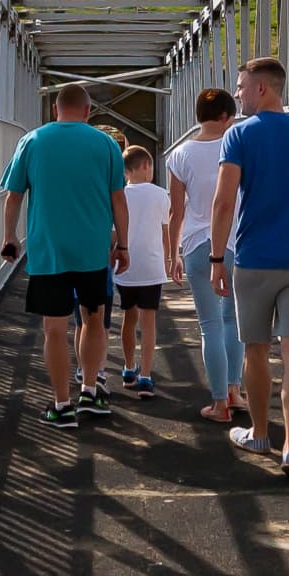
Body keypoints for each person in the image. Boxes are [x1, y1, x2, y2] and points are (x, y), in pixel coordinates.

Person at [208, 56, 289, 479]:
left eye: (242, 86)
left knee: (256, 349)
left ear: (262, 88)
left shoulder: (238, 135)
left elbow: (224, 202)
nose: (238, 94)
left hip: (255, 260)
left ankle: (260, 433)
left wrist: (215, 258)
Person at [1, 84, 129, 429]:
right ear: (89, 111)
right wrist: (123, 245)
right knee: (93, 319)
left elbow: (13, 197)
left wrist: (10, 236)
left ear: (54, 110)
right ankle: (90, 391)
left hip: (49, 250)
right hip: (92, 250)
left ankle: (62, 404)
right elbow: (119, 200)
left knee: (54, 329)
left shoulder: (32, 141)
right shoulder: (105, 144)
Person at [164, 88, 245, 425]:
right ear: (226, 116)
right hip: (239, 243)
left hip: (198, 245)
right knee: (233, 321)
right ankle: (234, 390)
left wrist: (172, 255)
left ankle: (219, 405)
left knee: (209, 325)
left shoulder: (180, 154)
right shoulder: (241, 146)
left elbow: (175, 213)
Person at [114, 146, 169, 396]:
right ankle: (146, 375)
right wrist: (170, 258)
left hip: (125, 266)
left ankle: (128, 367)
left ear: (126, 171)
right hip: (152, 265)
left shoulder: (119, 195)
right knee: (149, 321)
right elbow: (165, 232)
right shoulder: (160, 194)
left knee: (129, 317)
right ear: (146, 165)